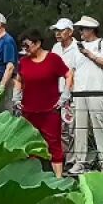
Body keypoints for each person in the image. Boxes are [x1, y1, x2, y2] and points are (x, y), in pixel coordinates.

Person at [13, 29, 73, 177]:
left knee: (54, 145)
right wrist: (16, 97)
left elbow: (68, 74)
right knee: (30, 144)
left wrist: (65, 95)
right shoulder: (23, 62)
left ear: (38, 43)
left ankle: (58, 179)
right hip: (29, 111)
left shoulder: (53, 59)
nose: (25, 49)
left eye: (27, 45)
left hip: (50, 110)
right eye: (23, 46)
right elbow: (19, 80)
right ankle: (32, 177)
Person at [69, 16, 103, 175]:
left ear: (91, 30)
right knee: (79, 128)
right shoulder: (76, 47)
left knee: (99, 126)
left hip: (97, 91)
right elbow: (73, 69)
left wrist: (90, 55)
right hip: (80, 91)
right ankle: (80, 161)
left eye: (83, 29)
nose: (80, 32)